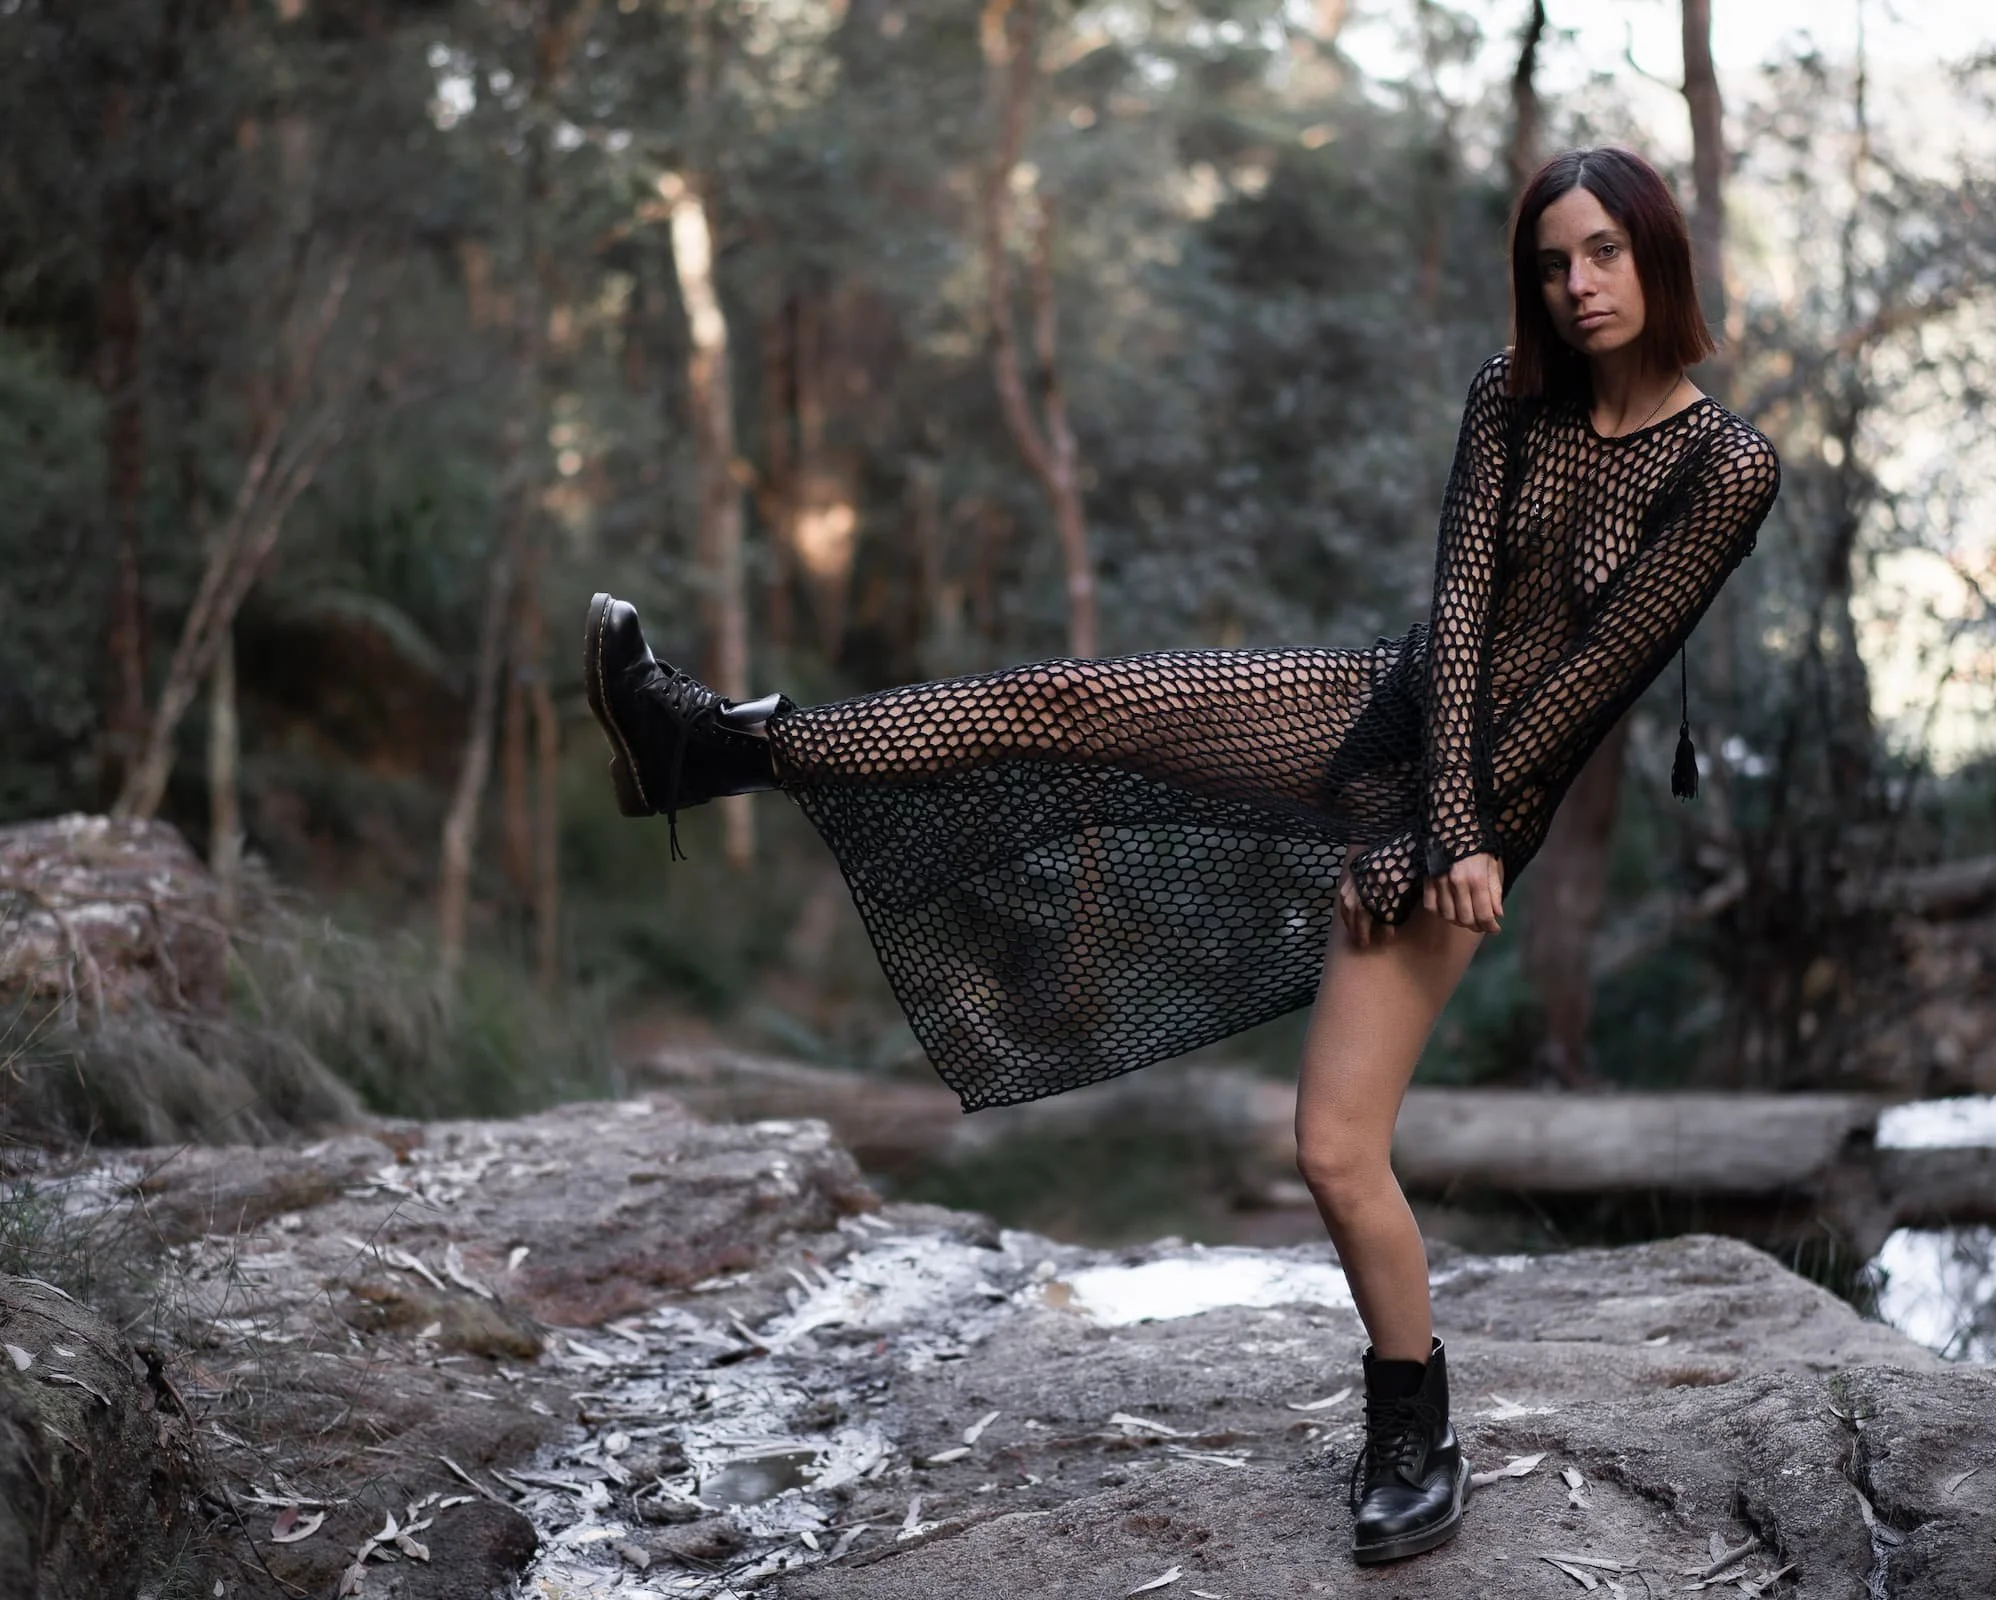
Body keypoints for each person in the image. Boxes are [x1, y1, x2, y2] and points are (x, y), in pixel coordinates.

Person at [582, 146, 1779, 1565]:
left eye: (1603, 255)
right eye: (1550, 261)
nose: (1577, 286)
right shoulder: (1509, 395)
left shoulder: (1724, 465)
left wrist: (1453, 839)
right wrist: (1425, 812)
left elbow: (1590, 686)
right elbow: (1455, 613)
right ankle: (714, 748)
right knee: (1070, 705)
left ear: (1660, 255)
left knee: (1334, 1153)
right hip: (1392, 714)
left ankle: (1414, 1424)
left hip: (1498, 803)